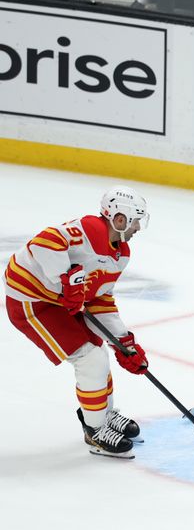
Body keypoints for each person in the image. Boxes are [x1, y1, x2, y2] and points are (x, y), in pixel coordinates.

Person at [3, 186, 150, 458]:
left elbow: (99, 300)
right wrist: (64, 276)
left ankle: (103, 416)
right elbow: (42, 243)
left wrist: (123, 343)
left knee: (99, 351)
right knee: (89, 358)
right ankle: (95, 432)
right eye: (135, 219)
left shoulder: (121, 254)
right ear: (119, 218)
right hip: (31, 301)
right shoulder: (86, 231)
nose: (139, 226)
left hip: (58, 303)